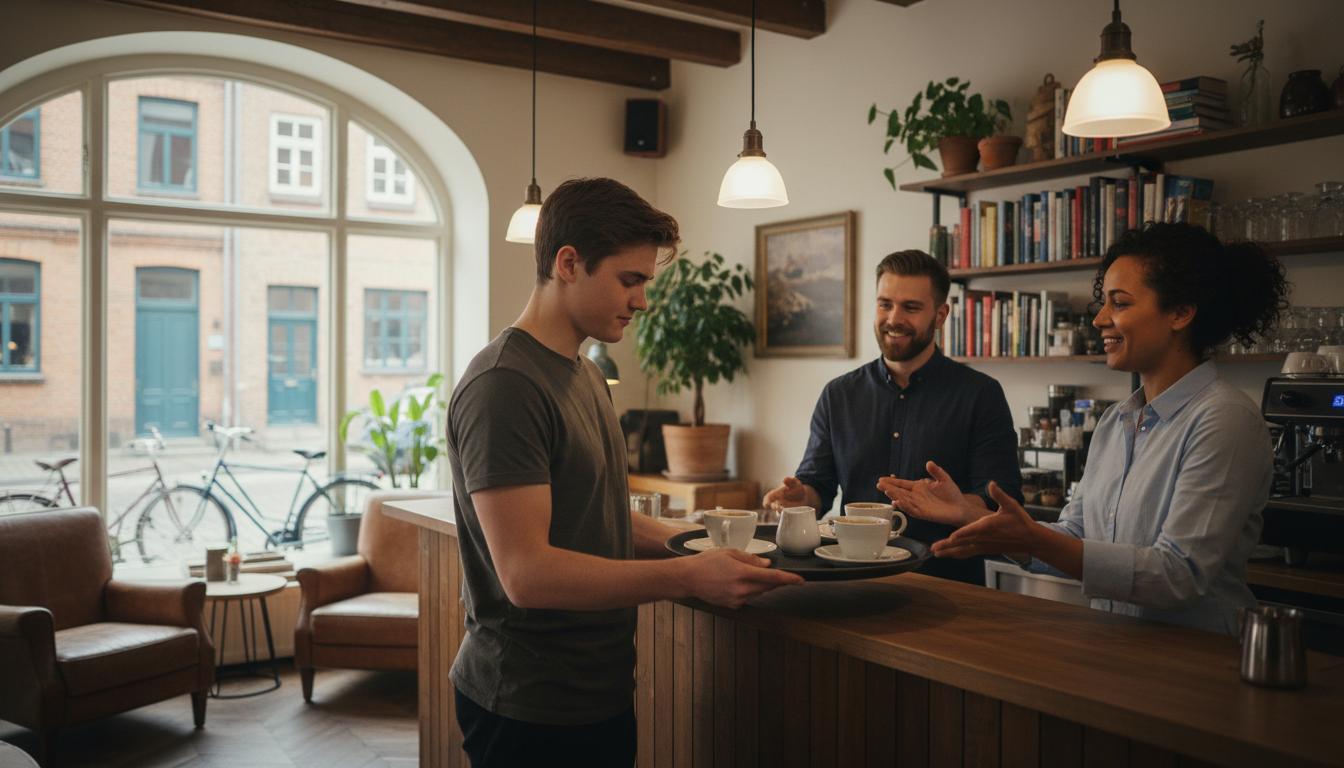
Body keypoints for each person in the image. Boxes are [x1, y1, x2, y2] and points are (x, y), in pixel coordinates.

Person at [446, 177, 801, 767]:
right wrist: (689, 577)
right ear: (568, 263)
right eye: (629, 279)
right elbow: (527, 574)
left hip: (597, 690)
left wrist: (714, 542)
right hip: (527, 704)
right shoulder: (504, 384)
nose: (641, 301)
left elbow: (597, 519)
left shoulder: (583, 373)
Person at [881, 223, 1286, 635]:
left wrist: (1032, 540)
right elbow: (1076, 534)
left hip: (1198, 662)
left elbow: (1177, 575)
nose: (1100, 319)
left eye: (1120, 304)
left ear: (1181, 312)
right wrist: (972, 516)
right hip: (1115, 649)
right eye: (1103, 302)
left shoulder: (1224, 419)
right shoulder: (1116, 421)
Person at [763, 250, 1022, 584]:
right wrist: (802, 498)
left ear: (940, 315)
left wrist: (958, 505)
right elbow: (819, 484)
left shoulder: (981, 394)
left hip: (948, 586)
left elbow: (1002, 501)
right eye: (885, 304)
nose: (894, 318)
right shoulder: (839, 394)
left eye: (910, 308)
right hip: (851, 581)